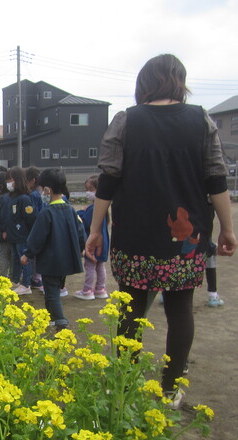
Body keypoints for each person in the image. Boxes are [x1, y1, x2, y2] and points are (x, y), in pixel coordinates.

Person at [85, 54, 237, 408]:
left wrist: (96, 229)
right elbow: (216, 178)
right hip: (187, 239)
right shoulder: (200, 120)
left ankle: (123, 386)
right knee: (180, 307)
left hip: (135, 234)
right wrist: (228, 229)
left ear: (144, 83)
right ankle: (170, 390)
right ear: (178, 82)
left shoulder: (127, 120)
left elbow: (108, 180)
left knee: (132, 307)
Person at [21, 168, 86, 330]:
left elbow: (37, 238)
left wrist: (27, 254)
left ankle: (60, 322)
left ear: (48, 190)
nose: (41, 192)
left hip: (51, 261)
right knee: (54, 290)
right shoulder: (70, 209)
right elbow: (81, 233)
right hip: (66, 260)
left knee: (52, 294)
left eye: (42, 189)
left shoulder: (47, 212)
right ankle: (53, 319)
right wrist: (81, 249)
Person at [0, 167, 37, 294]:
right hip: (11, 236)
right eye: (7, 180)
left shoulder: (24, 198)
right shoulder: (8, 197)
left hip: (22, 235)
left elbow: (31, 218)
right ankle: (15, 280)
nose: (9, 183)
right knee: (15, 259)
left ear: (18, 180)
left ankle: (26, 283)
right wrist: (4, 230)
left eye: (11, 180)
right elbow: (4, 216)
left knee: (24, 259)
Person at [75, 174, 109, 300]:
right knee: (100, 266)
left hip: (93, 244)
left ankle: (87, 290)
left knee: (90, 267)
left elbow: (84, 221)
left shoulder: (93, 209)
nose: (87, 193)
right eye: (86, 190)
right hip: (104, 244)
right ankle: (100, 288)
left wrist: (81, 212)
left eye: (90, 190)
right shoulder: (102, 209)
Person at [25, 166, 44, 292]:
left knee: (33, 255)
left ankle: (36, 278)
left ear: (32, 181)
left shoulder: (33, 195)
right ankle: (36, 278)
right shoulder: (37, 194)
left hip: (34, 229)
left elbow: (33, 214)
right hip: (37, 228)